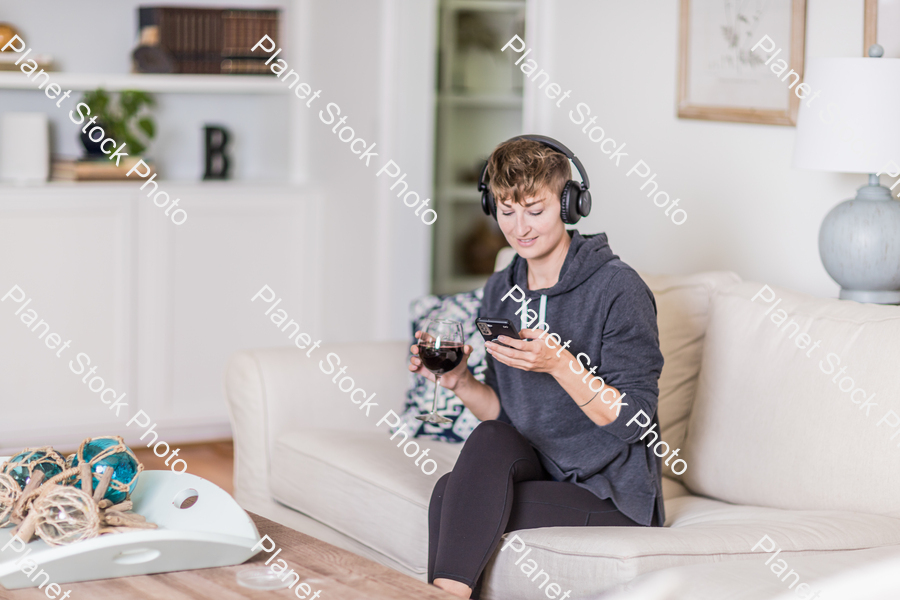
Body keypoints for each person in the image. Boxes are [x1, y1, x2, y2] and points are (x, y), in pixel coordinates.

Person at [408, 136, 665, 599]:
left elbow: (635, 422)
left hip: (611, 493)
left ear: (570, 204)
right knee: (481, 448)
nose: (520, 228)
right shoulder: (501, 288)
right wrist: (459, 381)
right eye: (507, 211)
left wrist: (561, 365)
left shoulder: (618, 290)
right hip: (540, 468)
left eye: (535, 210)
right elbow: (506, 419)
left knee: (452, 497)